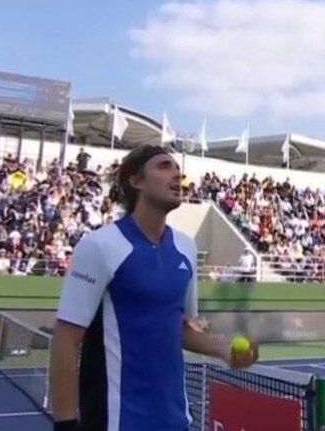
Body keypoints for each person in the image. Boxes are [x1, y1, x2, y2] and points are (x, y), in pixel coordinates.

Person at [48, 146, 259, 431]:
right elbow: (66, 339)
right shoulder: (99, 246)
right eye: (163, 166)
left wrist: (224, 349)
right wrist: (65, 423)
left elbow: (181, 327)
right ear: (136, 182)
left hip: (176, 422)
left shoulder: (186, 248)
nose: (177, 174)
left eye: (177, 168)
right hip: (116, 423)